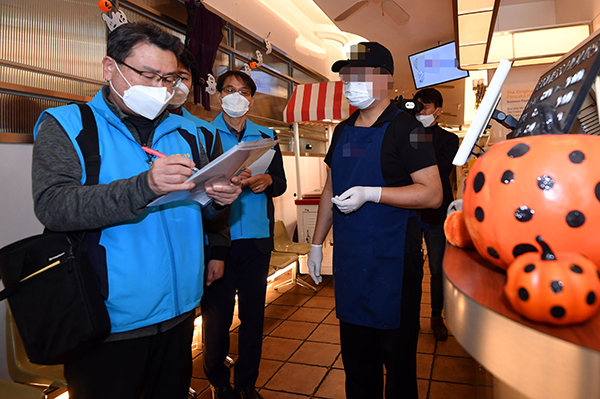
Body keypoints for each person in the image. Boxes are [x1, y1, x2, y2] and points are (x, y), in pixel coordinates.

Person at [31, 22, 242, 399]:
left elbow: (203, 212)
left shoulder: (188, 132)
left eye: (169, 78)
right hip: (108, 320)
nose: (160, 88)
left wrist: (217, 200)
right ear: (109, 68)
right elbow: (54, 205)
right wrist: (143, 186)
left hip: (180, 310)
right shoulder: (69, 125)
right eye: (148, 75)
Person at [306, 42, 443, 399]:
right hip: (352, 262)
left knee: (397, 364)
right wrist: (317, 244)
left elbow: (431, 193)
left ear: (385, 79)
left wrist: (373, 193)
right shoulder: (343, 130)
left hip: (394, 260)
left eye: (360, 75)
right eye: (347, 76)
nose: (351, 82)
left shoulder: (408, 129)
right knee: (357, 363)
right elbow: (330, 188)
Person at [202, 70, 287, 399]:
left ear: (252, 99)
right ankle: (219, 381)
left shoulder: (266, 137)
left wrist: (267, 182)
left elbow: (278, 183)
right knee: (217, 317)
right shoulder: (204, 134)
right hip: (218, 243)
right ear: (219, 95)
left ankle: (247, 382)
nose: (236, 96)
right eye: (229, 90)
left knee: (254, 315)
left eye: (243, 91)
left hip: (256, 238)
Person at [168, 48, 232, 288]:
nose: (173, 84)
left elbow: (214, 192)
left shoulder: (202, 132)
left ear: (193, 83)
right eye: (167, 76)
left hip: (195, 242)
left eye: (181, 77)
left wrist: (218, 251)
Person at [413, 88, 460, 341]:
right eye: (417, 107)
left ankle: (436, 316)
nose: (421, 112)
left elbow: (439, 169)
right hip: (411, 211)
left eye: (426, 107)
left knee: (437, 269)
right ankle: (409, 316)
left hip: (437, 213)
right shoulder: (409, 135)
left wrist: (417, 137)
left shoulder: (448, 140)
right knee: (411, 268)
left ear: (438, 111)